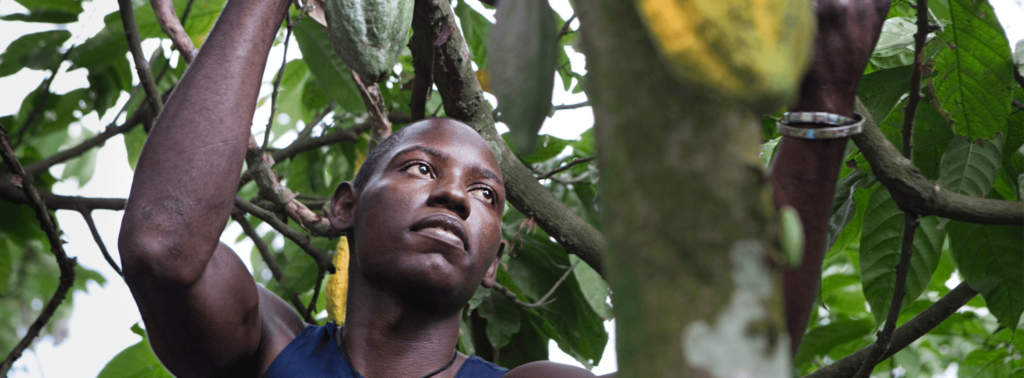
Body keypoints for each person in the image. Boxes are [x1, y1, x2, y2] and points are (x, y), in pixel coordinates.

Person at [116, 0, 889, 376]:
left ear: (493, 263)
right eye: (420, 169)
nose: (456, 196)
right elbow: (161, 245)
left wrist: (823, 101)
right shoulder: (265, 353)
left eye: (488, 195)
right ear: (342, 210)